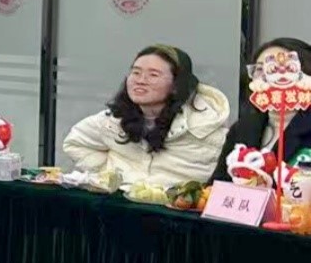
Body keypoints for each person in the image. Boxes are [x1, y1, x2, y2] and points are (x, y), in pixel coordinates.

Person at [63, 44, 229, 188]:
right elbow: (75, 143)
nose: (141, 80)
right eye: (136, 72)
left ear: (176, 85)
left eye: (153, 75)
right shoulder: (113, 120)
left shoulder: (205, 128)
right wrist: (110, 174)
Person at [214, 36, 311, 178]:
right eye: (260, 69)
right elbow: (217, 184)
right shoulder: (243, 127)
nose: (269, 77)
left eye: (281, 68)